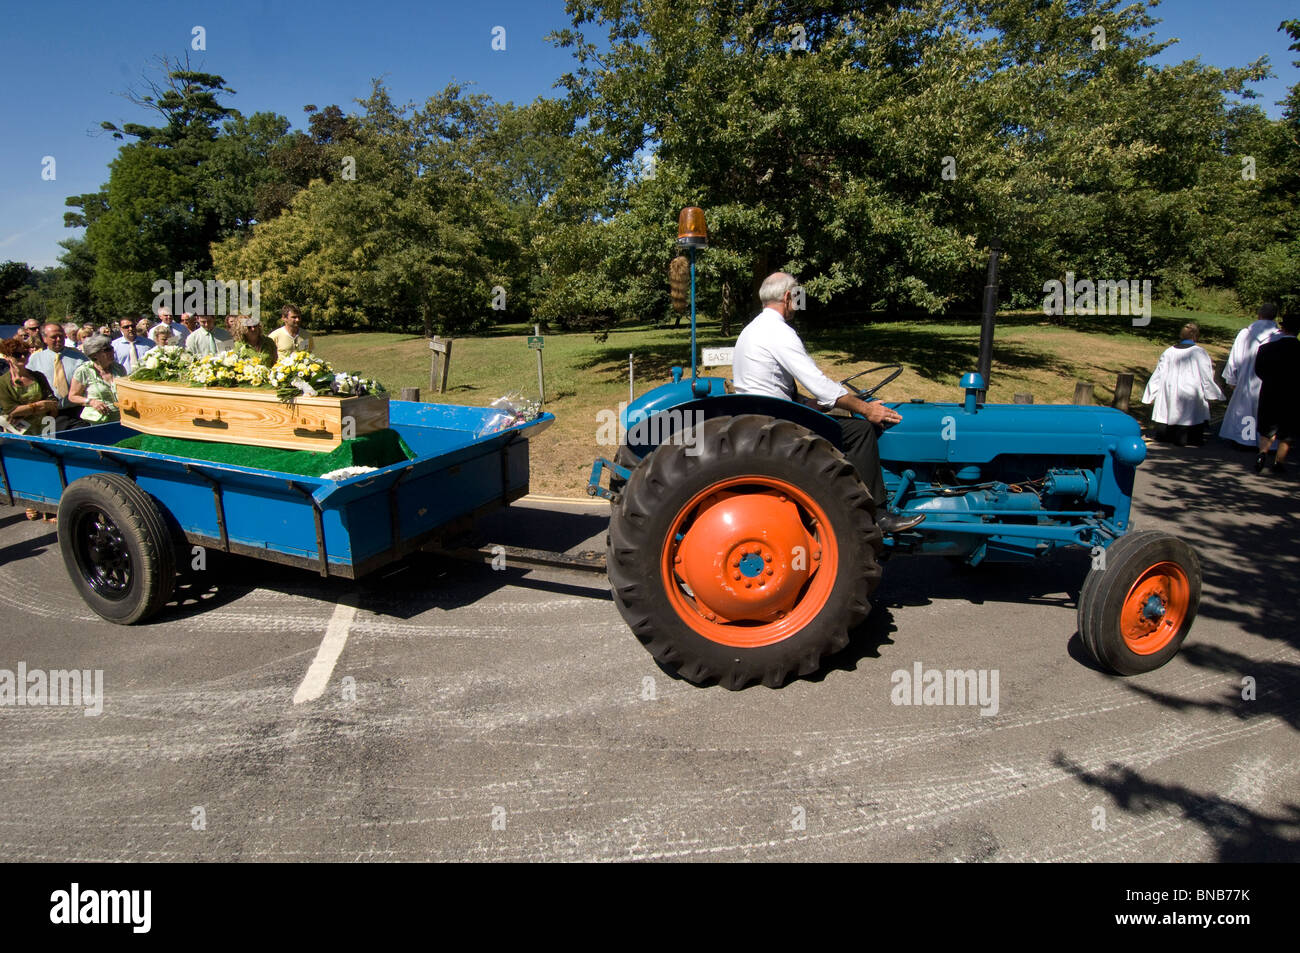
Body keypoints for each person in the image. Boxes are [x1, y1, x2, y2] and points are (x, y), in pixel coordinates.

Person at [731, 272, 924, 535]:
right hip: (776, 421)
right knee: (861, 432)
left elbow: (771, 384)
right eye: (797, 296)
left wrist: (813, 404)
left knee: (842, 420)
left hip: (762, 413)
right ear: (788, 297)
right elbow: (818, 383)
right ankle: (875, 513)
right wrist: (867, 409)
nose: (798, 303)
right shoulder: (778, 332)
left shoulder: (752, 328)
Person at [1141, 322, 1224, 446]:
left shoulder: (1169, 351)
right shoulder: (1199, 352)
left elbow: (1159, 373)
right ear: (1195, 336)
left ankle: (1167, 436)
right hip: (1191, 388)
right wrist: (1212, 393)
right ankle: (1188, 438)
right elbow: (1206, 375)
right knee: (1190, 413)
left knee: (1168, 410)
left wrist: (1151, 393)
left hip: (1170, 387)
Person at [1219, 303, 1280, 448]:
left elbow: (1235, 357)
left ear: (1259, 314)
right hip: (1269, 380)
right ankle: (1267, 443)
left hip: (1247, 378)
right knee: (1267, 411)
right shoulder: (1279, 336)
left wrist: (1231, 378)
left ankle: (1247, 439)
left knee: (1247, 409)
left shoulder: (1246, 334)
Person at [1253, 311, 1300, 474]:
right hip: (1293, 395)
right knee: (1288, 431)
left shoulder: (1266, 349)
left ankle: (1261, 454)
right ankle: (1279, 462)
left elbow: (1259, 370)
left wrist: (1270, 380)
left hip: (1270, 390)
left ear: (1282, 328)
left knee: (1267, 426)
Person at [25, 322, 87, 423]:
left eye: (61, 336)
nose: (58, 339)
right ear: (44, 339)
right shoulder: (35, 359)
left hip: (77, 411)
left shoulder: (79, 356)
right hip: (50, 414)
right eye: (54, 337)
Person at [67, 334, 125, 424]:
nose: (112, 351)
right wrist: (91, 402)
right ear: (94, 355)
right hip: (99, 421)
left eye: (111, 348)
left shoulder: (119, 368)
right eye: (107, 350)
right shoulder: (83, 371)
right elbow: (72, 396)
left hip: (123, 418)